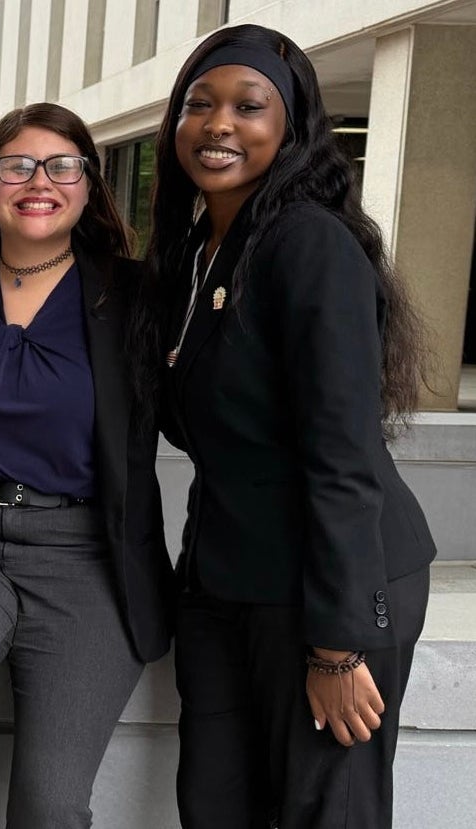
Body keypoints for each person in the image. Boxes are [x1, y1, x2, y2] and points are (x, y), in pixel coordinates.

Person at [145, 23, 437, 829]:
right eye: (199, 104)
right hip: (226, 582)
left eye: (249, 106)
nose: (219, 124)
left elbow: (343, 455)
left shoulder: (309, 244)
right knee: (213, 805)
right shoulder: (195, 252)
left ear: (292, 126)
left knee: (325, 813)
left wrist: (337, 646)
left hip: (326, 586)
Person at [0, 102, 175, 828]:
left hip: (86, 552)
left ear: (89, 185)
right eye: (16, 166)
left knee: (51, 804)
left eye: (61, 166)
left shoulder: (137, 297)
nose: (38, 181)